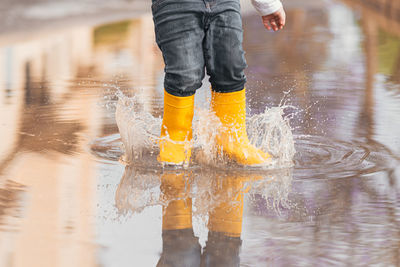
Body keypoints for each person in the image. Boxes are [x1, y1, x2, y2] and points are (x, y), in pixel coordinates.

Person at [152, 0, 286, 166]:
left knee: (230, 66)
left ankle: (232, 139)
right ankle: (175, 141)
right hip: (176, 4)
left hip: (225, 3)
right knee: (185, 73)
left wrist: (267, 4)